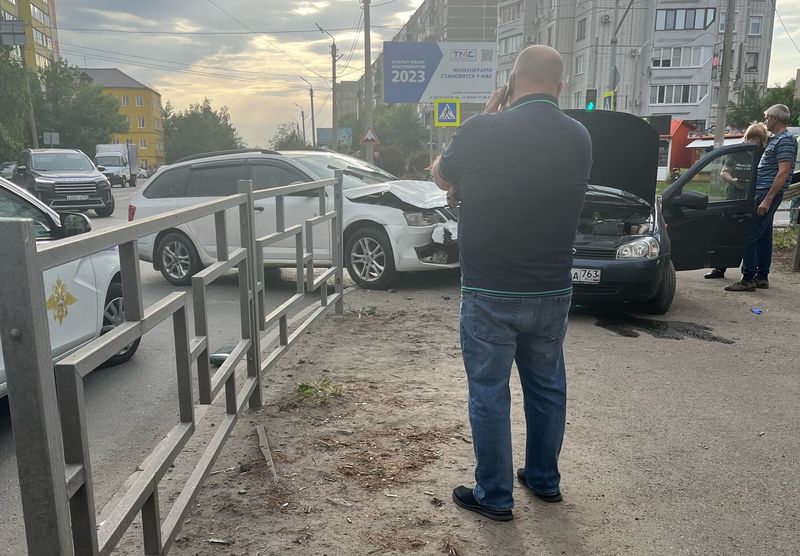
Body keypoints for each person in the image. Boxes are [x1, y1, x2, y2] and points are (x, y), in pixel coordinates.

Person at [431, 45, 592, 522]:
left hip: (490, 289)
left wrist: (485, 117)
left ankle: (495, 496)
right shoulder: (579, 136)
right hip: (552, 289)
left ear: (511, 81)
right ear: (560, 86)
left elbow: (442, 175)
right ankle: (543, 479)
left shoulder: (483, 128)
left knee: (488, 390)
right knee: (547, 387)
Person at [726, 105, 798, 291]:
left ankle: (748, 278)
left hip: (766, 192)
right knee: (764, 236)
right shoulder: (777, 140)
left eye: (767, 118)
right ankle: (762, 276)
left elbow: (783, 172)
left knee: (749, 234)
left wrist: (767, 199)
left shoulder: (785, 140)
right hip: (764, 191)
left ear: (775, 118)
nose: (765, 121)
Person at [704, 122, 768, 279]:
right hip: (734, 197)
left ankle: (755, 273)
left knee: (752, 236)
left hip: (753, 199)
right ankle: (719, 268)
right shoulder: (737, 152)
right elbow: (724, 172)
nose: (751, 142)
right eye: (749, 138)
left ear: (762, 141)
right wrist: (733, 180)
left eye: (756, 139)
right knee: (727, 232)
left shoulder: (764, 155)